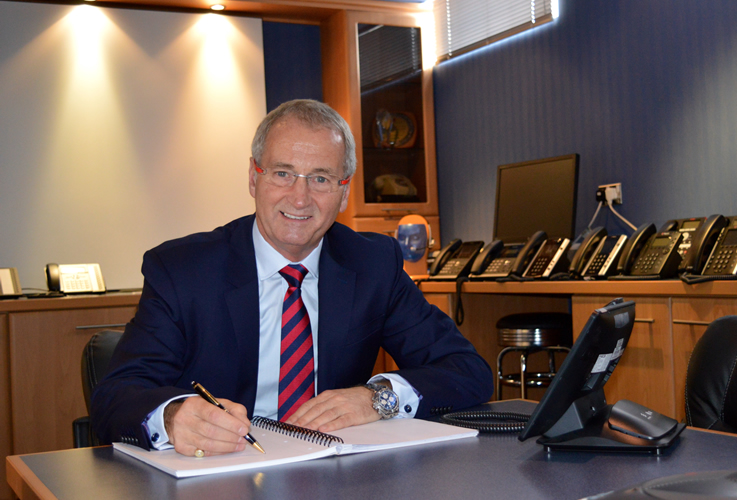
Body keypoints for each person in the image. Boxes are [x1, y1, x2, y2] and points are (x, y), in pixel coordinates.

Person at [91, 99, 493, 457]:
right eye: (283, 173)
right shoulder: (181, 270)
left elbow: (467, 370)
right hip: (218, 475)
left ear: (344, 192)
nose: (300, 198)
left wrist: (378, 398)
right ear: (254, 178)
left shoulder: (372, 264)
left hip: (334, 475)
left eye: (320, 178)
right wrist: (174, 416)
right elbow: (115, 396)